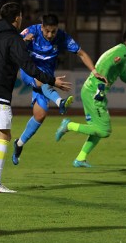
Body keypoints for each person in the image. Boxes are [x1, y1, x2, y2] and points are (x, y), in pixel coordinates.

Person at [0, 2, 71, 193]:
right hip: (0, 92)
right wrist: (52, 80)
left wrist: (24, 43)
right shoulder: (13, 38)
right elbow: (29, 67)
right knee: (5, 135)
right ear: (17, 18)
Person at [55, 27, 126, 168]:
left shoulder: (123, 53)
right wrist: (100, 90)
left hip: (90, 91)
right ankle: (68, 126)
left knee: (97, 128)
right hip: (94, 93)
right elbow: (105, 66)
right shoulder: (120, 52)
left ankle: (80, 159)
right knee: (104, 131)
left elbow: (124, 77)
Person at [12, 14, 96, 165]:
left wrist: (94, 71)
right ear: (41, 26)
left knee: (40, 115)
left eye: (53, 31)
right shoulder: (31, 31)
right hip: (29, 71)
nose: (50, 35)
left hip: (46, 77)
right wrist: (23, 41)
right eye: (47, 31)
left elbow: (81, 53)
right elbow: (12, 45)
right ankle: (60, 102)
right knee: (40, 80)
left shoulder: (62, 37)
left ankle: (19, 143)